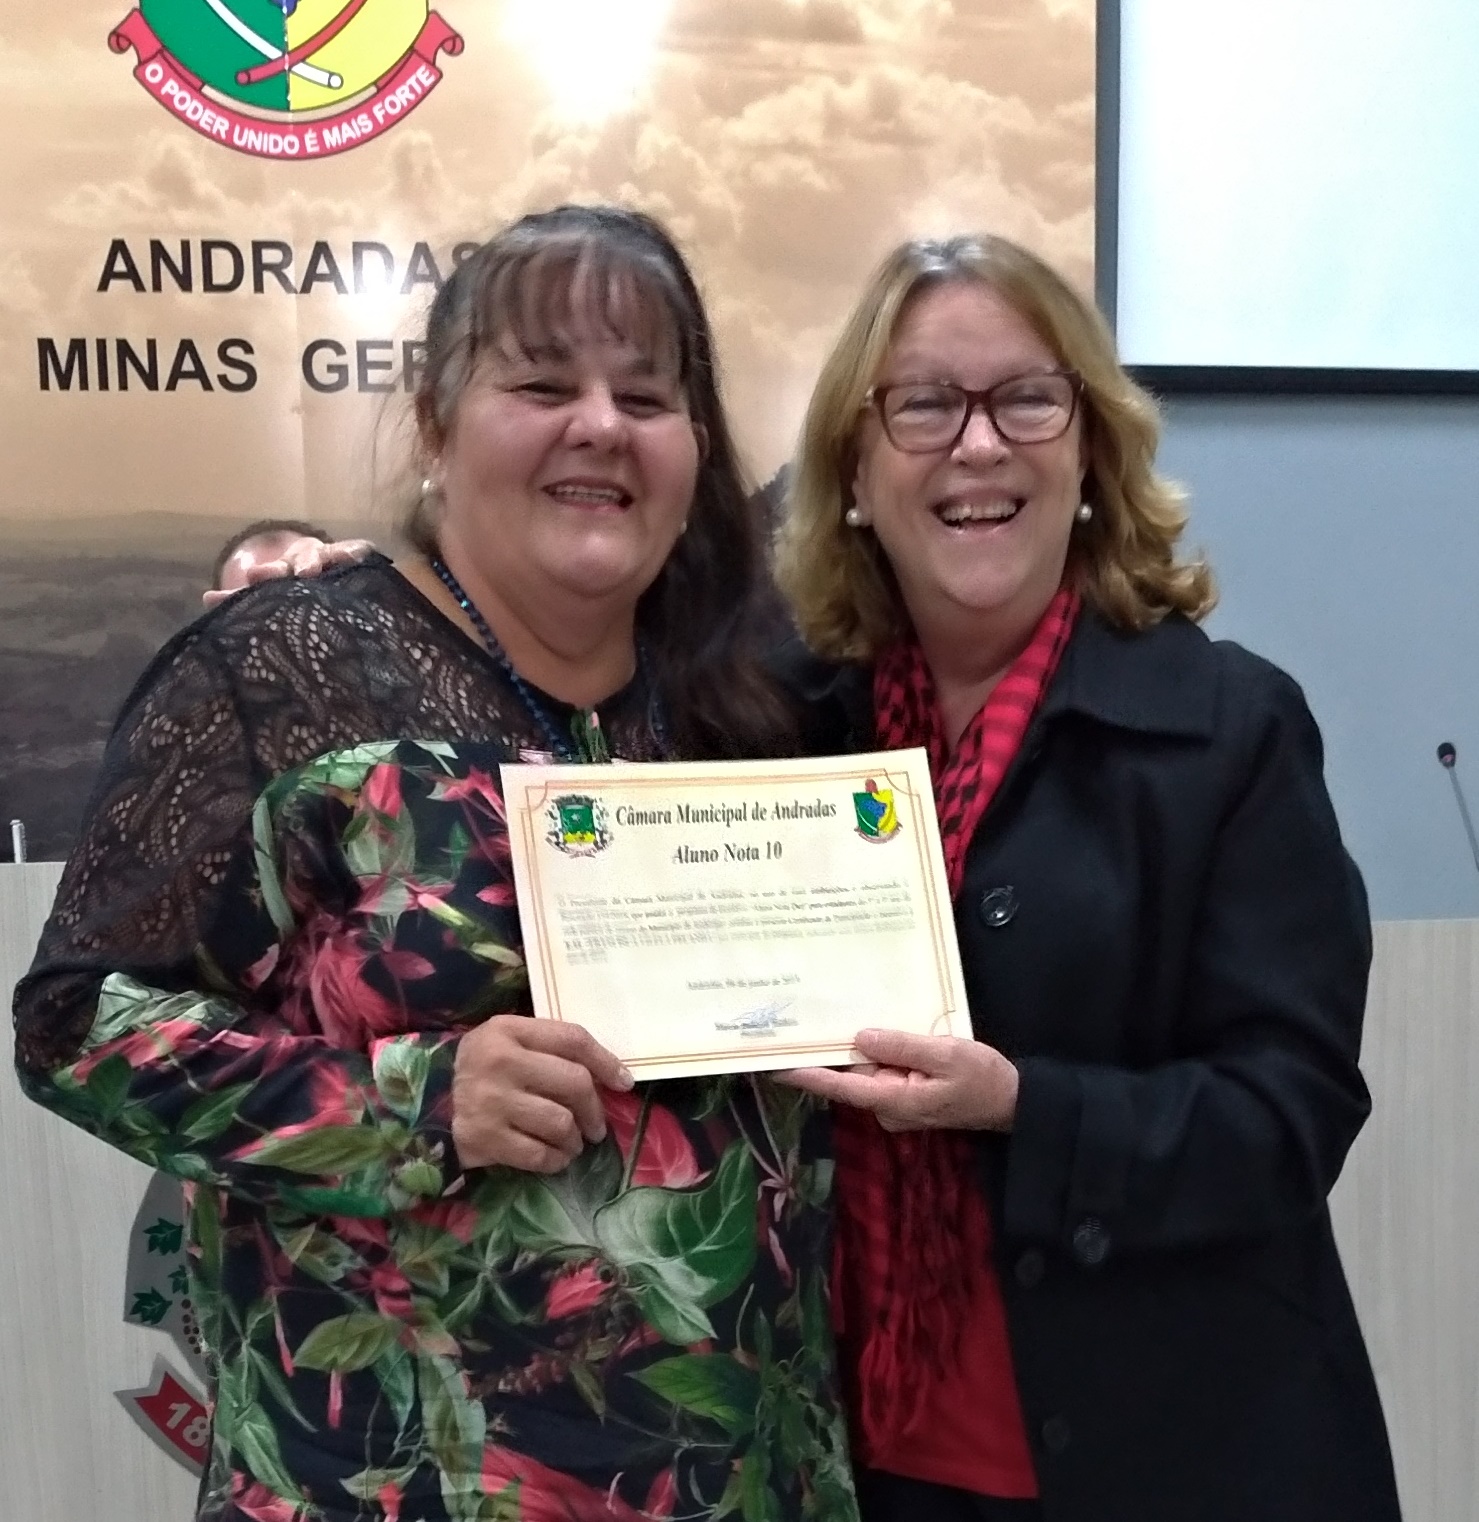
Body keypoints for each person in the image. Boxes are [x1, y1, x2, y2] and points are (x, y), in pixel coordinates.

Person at [14, 206, 857, 1522]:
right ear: (435, 424)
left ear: (696, 449)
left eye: (648, 395)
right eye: (543, 385)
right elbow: (74, 1026)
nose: (601, 424)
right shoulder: (281, 674)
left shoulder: (745, 705)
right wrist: (416, 1104)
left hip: (740, 1483)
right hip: (388, 1483)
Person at [771, 234, 1401, 1522]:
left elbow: (1291, 1119)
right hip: (862, 1459)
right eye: (924, 405)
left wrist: (1025, 1111)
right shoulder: (780, 730)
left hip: (1180, 1460)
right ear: (854, 471)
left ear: (1091, 454)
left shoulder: (1231, 730)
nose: (979, 445)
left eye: (1027, 399)